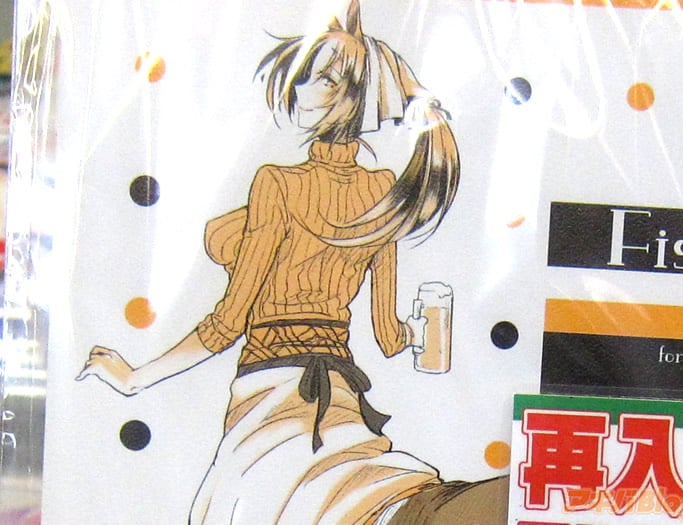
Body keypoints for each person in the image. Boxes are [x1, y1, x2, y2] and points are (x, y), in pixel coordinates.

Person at [77, 2, 511, 523]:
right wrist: (423, 333)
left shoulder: (277, 184)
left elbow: (227, 323)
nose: (303, 90)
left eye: (324, 80)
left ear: (357, 97)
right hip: (339, 397)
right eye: (305, 76)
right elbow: (390, 337)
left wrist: (135, 378)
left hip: (270, 394)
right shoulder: (381, 190)